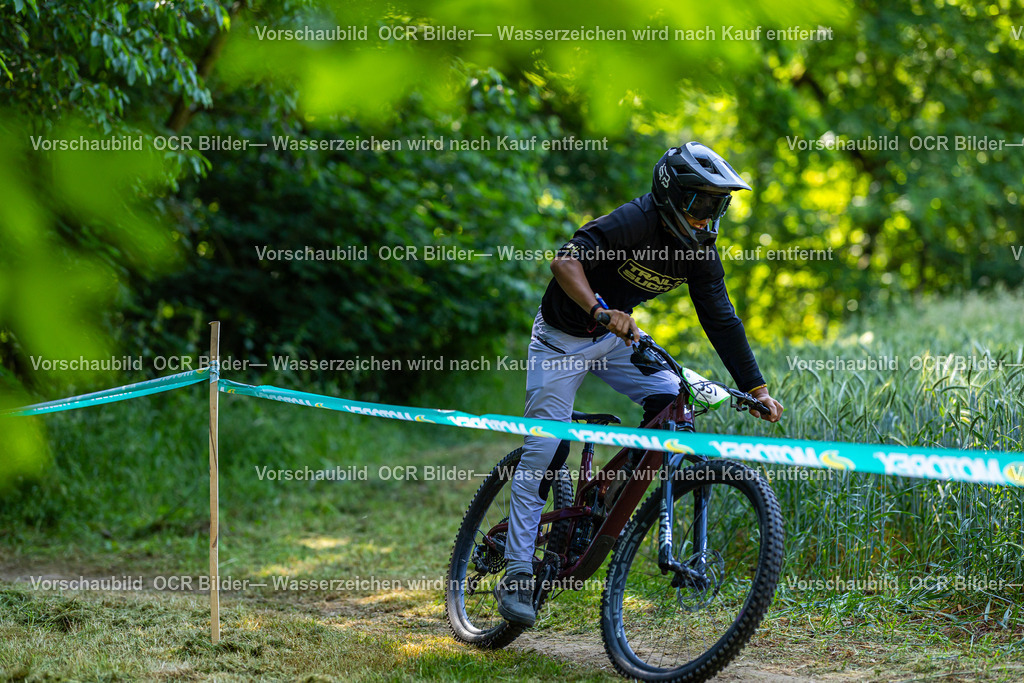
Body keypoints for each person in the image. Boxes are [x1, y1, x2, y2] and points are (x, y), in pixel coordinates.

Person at [495, 142, 784, 627]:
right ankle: (518, 570)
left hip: (615, 341)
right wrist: (599, 311)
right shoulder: (635, 220)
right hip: (562, 340)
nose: (709, 217)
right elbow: (565, 262)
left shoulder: (700, 252)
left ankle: (602, 501)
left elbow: (721, 319)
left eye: (719, 207)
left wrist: (755, 390)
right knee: (543, 449)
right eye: (702, 204)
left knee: (676, 399)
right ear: (674, 195)